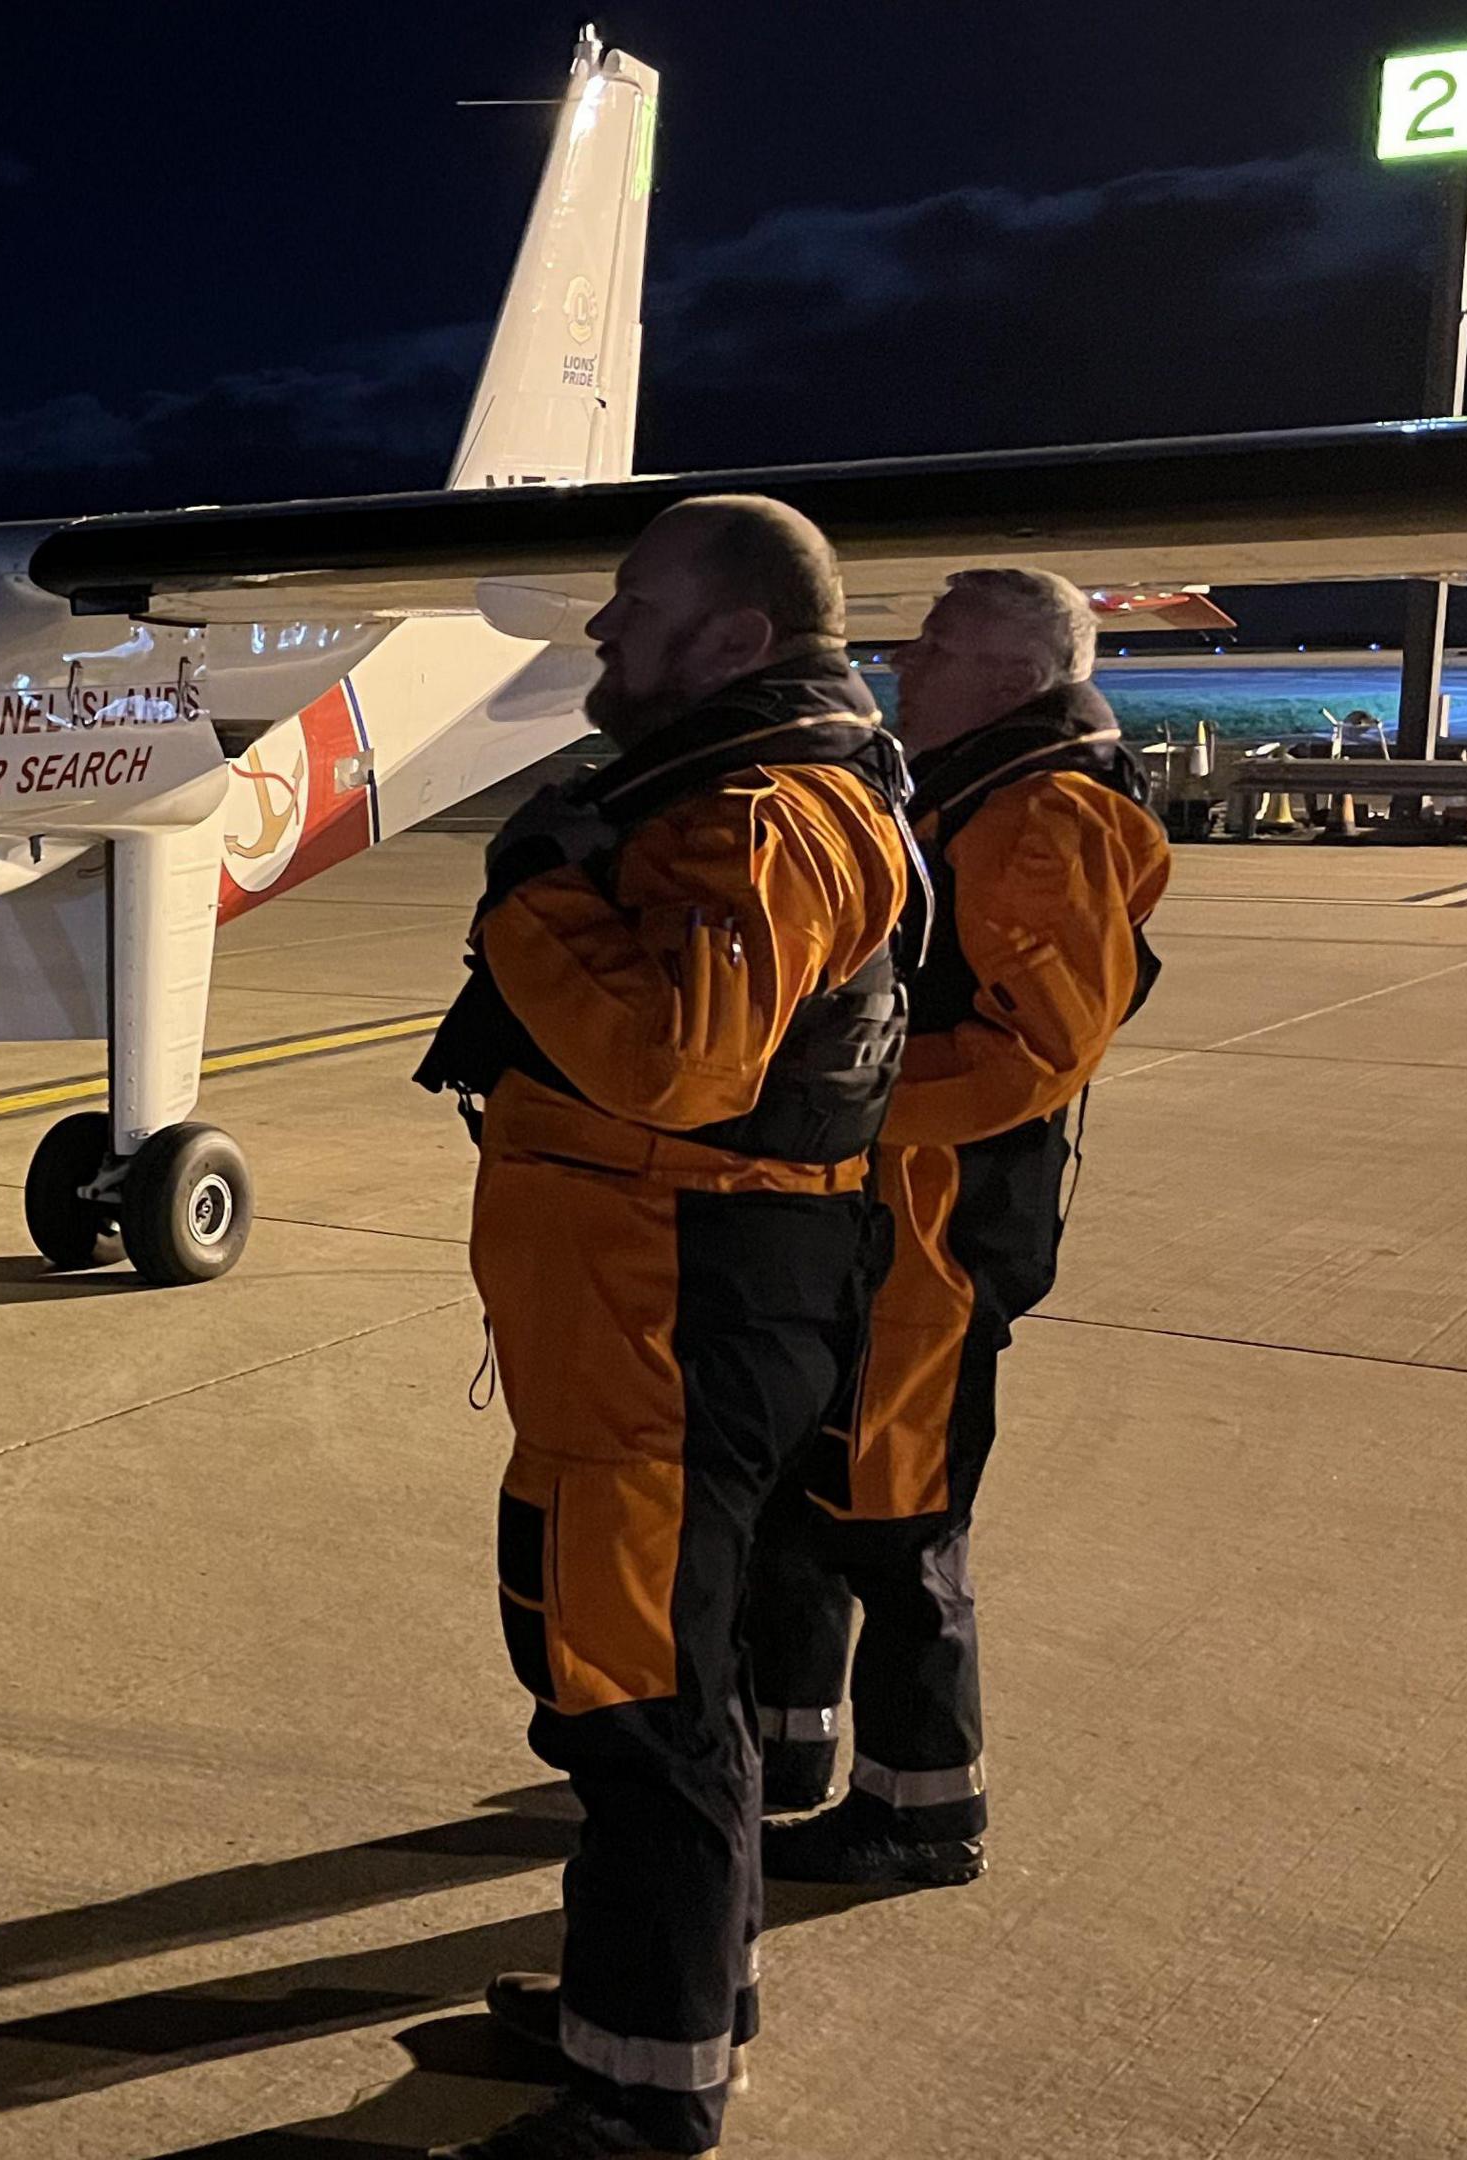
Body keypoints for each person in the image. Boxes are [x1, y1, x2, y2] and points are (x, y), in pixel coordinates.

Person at [414, 496, 921, 2160]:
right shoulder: (733, 794)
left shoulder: (755, 814)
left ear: (738, 641)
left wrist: (527, 907)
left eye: (633, 607)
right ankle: (647, 1997)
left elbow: (676, 1070)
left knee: (638, 1697)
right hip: (664, 1308)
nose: (602, 636)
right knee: (639, 1671)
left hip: (671, 1313)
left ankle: (648, 2092)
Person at [747, 569, 1170, 1887]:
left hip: (934, 1228)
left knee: (900, 1516)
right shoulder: (976, 787)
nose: (906, 663)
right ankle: (777, 1747)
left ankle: (923, 1810)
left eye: (935, 646)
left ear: (1014, 674)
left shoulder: (1043, 813)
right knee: (804, 1493)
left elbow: (1033, 1050)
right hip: (881, 1217)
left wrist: (836, 1112)